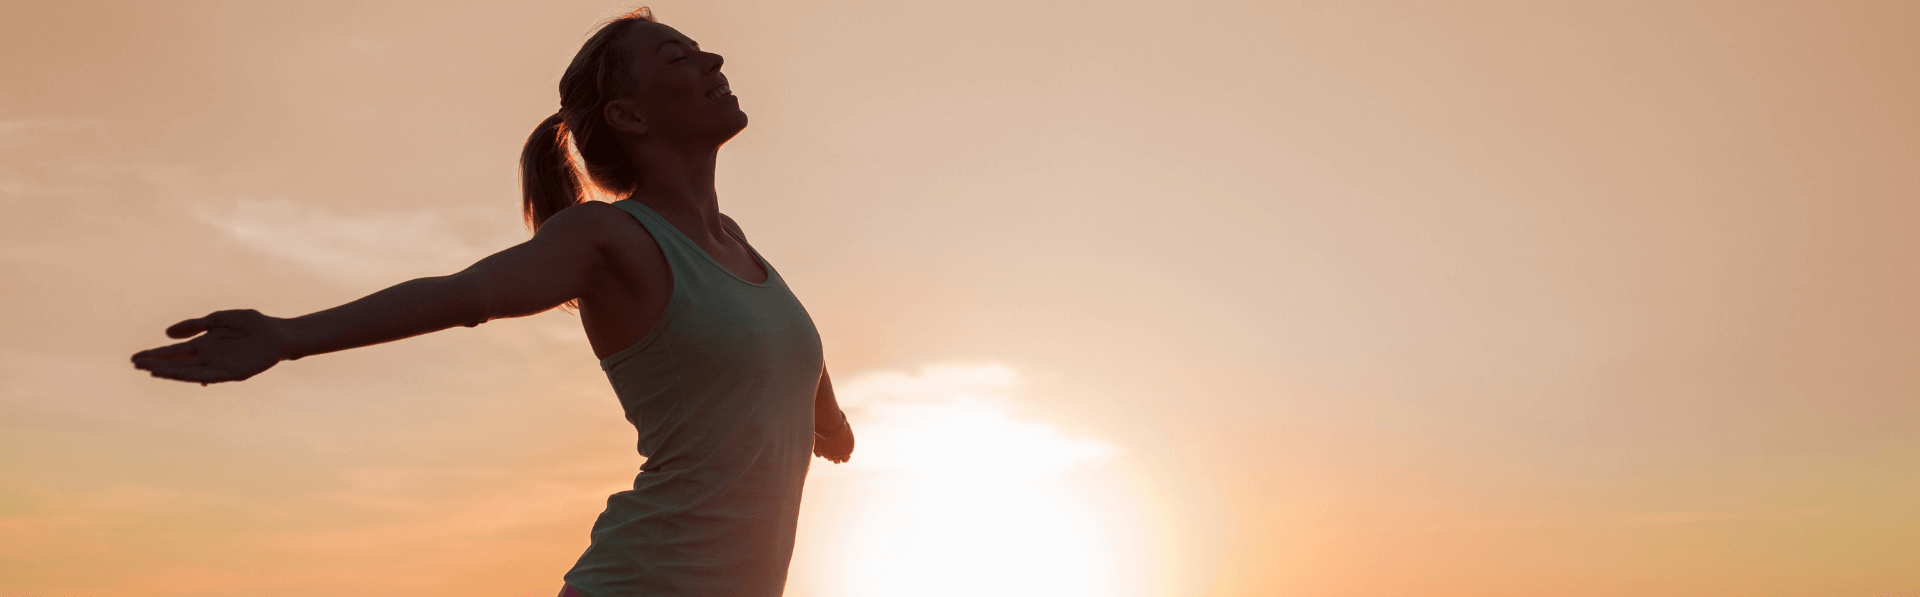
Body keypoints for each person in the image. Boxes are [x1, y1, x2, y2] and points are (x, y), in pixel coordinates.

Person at [130, 8, 853, 597]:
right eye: (678, 57)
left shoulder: (736, 247)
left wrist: (828, 416)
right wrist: (288, 336)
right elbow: (464, 295)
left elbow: (782, 346)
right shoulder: (612, 237)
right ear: (629, 117)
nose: (713, 62)